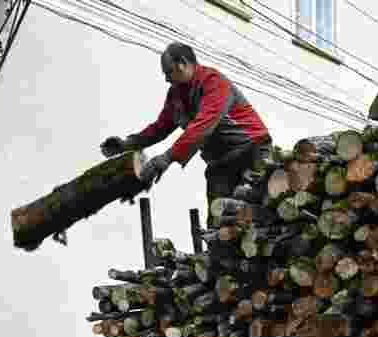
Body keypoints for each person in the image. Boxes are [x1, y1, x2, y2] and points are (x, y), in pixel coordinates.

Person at [101, 43, 272, 226]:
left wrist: (167, 157)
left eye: (168, 72)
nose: (166, 79)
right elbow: (160, 127)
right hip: (220, 161)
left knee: (254, 212)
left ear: (182, 63)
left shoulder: (213, 82)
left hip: (251, 150)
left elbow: (202, 127)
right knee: (219, 221)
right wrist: (127, 144)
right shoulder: (175, 94)